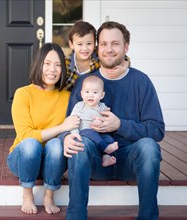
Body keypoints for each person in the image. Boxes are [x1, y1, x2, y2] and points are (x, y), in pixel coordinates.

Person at [61, 21, 165, 220]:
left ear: (126, 47)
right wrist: (66, 137)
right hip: (95, 161)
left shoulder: (141, 82)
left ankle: (148, 216)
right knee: (78, 144)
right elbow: (70, 122)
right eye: (104, 44)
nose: (109, 49)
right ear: (98, 47)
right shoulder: (85, 83)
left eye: (115, 44)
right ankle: (76, 216)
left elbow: (157, 129)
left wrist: (120, 125)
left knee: (150, 147)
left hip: (129, 160)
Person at [7, 43, 80, 215]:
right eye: (47, 64)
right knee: (31, 143)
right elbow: (25, 135)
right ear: (38, 65)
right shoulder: (23, 93)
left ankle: (49, 195)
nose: (52, 69)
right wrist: (62, 127)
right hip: (23, 159)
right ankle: (27, 195)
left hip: (52, 162)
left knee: (56, 144)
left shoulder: (68, 97)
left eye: (57, 65)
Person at [64, 20, 130, 91]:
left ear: (95, 43)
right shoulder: (66, 62)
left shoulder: (98, 55)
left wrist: (124, 66)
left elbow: (121, 57)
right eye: (80, 44)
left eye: (89, 43)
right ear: (71, 45)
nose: (85, 48)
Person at [69, 75, 118, 167]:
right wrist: (75, 133)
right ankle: (106, 148)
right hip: (84, 133)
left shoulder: (102, 107)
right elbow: (73, 121)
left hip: (100, 133)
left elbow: (107, 121)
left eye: (95, 92)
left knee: (109, 139)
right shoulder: (79, 106)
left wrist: (101, 121)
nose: (90, 95)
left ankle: (106, 157)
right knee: (90, 132)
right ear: (82, 94)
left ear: (102, 95)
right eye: (87, 92)